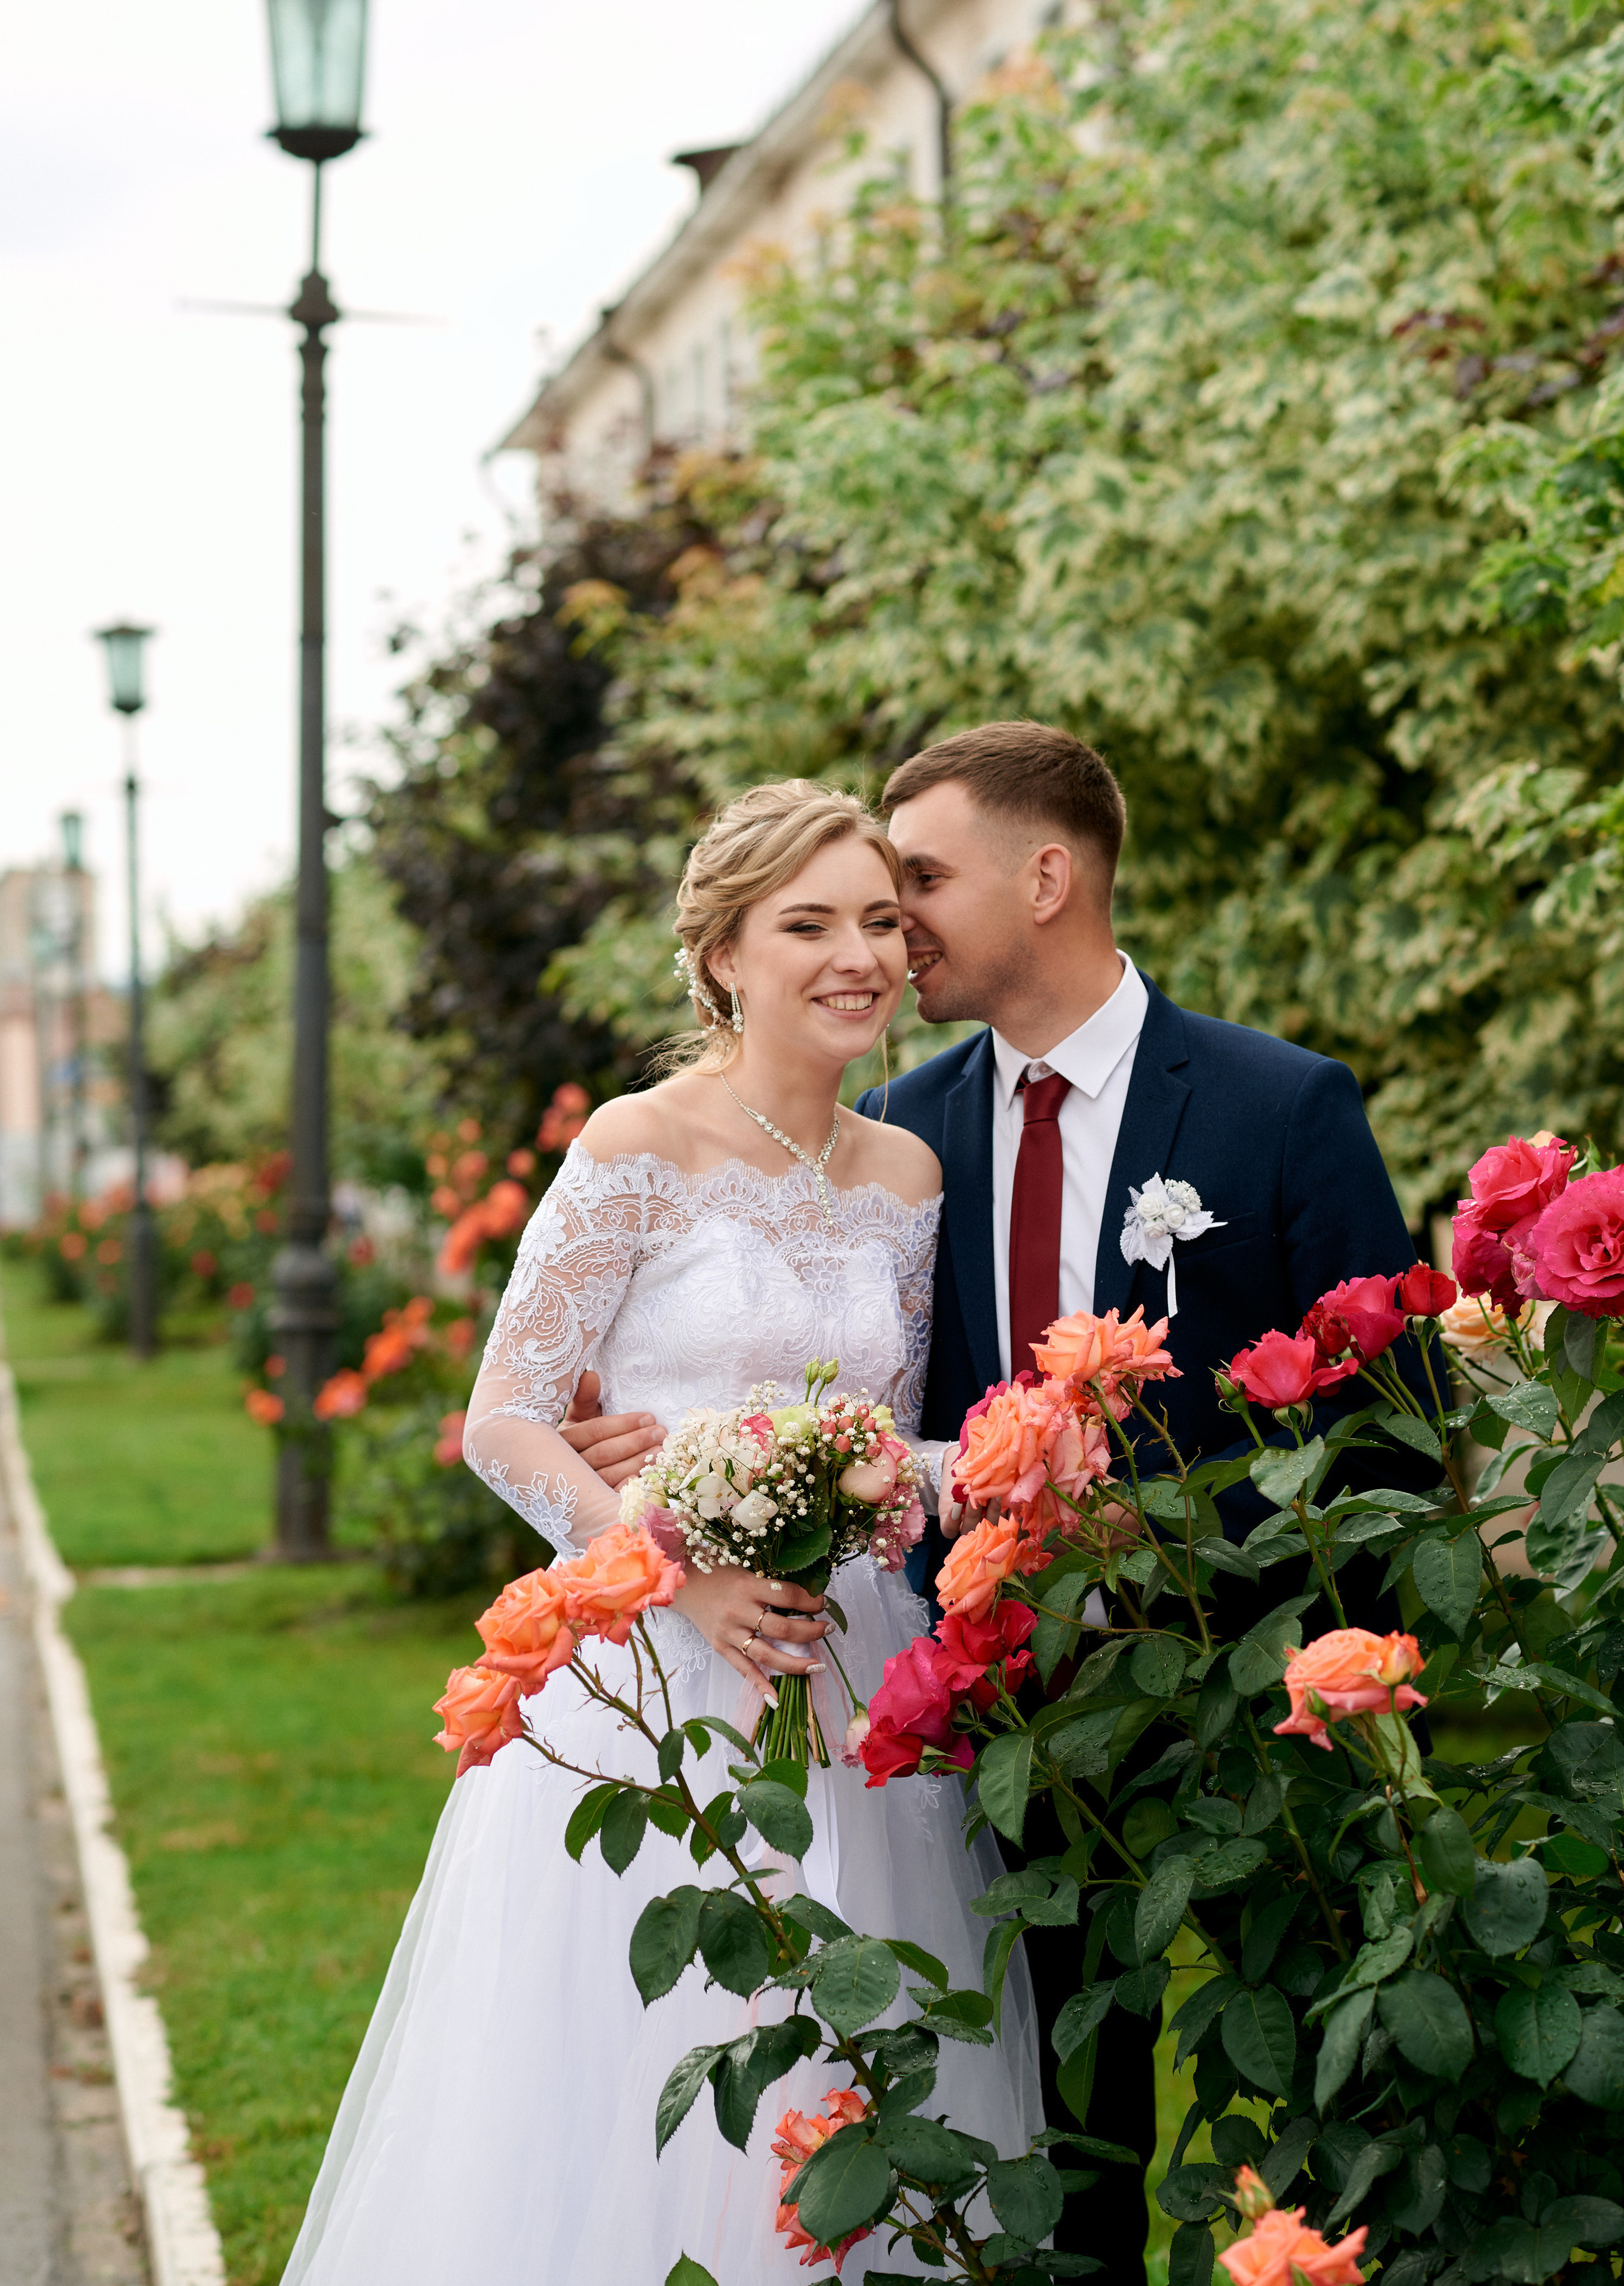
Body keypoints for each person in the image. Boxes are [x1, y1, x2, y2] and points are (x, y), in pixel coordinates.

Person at [281, 782, 1043, 2286]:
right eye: (808, 923)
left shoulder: (909, 1175)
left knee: (871, 2058)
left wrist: (997, 1461)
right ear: (722, 957)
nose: (858, 956)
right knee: (661, 2073)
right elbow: (503, 1417)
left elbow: (873, 1431)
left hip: (850, 1678)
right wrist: (676, 1573)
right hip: (661, 1675)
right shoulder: (640, 1142)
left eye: (882, 921)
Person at [855, 719, 1429, 2286]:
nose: (889, 913)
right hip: (1016, 1729)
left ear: (1047, 876)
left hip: (1252, 1704)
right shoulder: (902, 1132)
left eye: (920, 875)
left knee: (1314, 2108)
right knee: (1054, 2126)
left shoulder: (1277, 1104)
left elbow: (1389, 1431)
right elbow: (875, 1407)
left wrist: (1210, 1591)